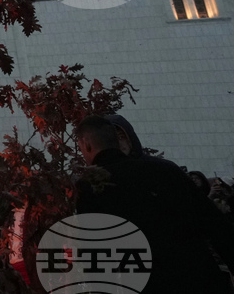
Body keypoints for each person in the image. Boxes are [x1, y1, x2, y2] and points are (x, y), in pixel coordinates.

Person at [75, 115, 234, 293]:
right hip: (200, 280)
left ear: (86, 146)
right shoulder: (166, 170)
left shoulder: (91, 187)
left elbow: (96, 255)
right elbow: (215, 225)